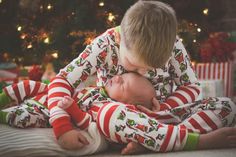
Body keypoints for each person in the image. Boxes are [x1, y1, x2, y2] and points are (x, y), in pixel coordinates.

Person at [46, 0, 236, 153]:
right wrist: (62, 126)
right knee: (110, 115)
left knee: (227, 106)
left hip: (164, 115)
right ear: (120, 40)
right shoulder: (103, 46)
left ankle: (153, 141)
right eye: (136, 66)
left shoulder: (173, 45)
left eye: (152, 68)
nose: (144, 73)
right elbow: (62, 80)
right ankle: (192, 141)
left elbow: (191, 87)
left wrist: (164, 107)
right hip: (125, 120)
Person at [0, 72, 156, 130]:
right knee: (28, 85)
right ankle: (3, 99)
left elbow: (88, 123)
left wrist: (73, 109)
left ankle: (3, 115)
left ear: (127, 104)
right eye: (121, 76)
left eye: (122, 84)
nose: (116, 78)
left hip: (45, 112)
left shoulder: (106, 106)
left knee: (23, 117)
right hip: (49, 96)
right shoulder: (98, 89)